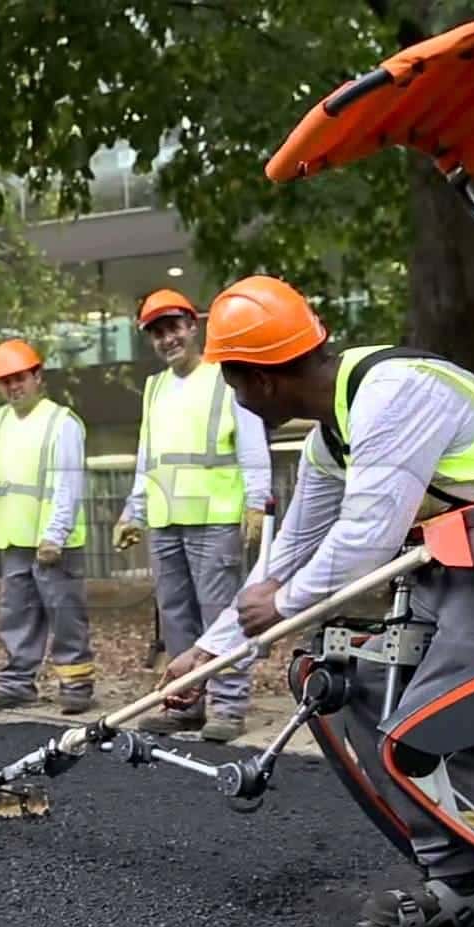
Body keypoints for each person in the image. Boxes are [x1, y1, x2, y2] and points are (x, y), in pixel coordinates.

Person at [160, 274, 474, 927]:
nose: (230, 398)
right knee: (363, 692)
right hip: (456, 570)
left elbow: (362, 539)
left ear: (255, 381)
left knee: (447, 727)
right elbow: (292, 553)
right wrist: (209, 654)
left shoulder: (394, 394)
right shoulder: (335, 436)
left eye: (228, 381)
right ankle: (464, 885)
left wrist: (286, 605)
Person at [113, 288, 274, 742]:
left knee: (220, 612)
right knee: (176, 615)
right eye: (157, 332)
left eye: (174, 327)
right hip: (166, 520)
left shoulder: (225, 379)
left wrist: (257, 503)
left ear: (192, 326)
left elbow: (251, 446)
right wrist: (133, 512)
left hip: (214, 517)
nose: (168, 339)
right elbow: (149, 459)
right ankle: (187, 702)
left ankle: (228, 704)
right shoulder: (155, 388)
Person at [0, 339, 94, 717]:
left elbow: (68, 482)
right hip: (15, 539)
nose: (13, 387)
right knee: (17, 612)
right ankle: (17, 684)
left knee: (64, 612)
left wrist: (55, 534)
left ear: (37, 376)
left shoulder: (61, 423)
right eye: (5, 381)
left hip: (50, 541)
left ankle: (76, 683)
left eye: (20, 378)